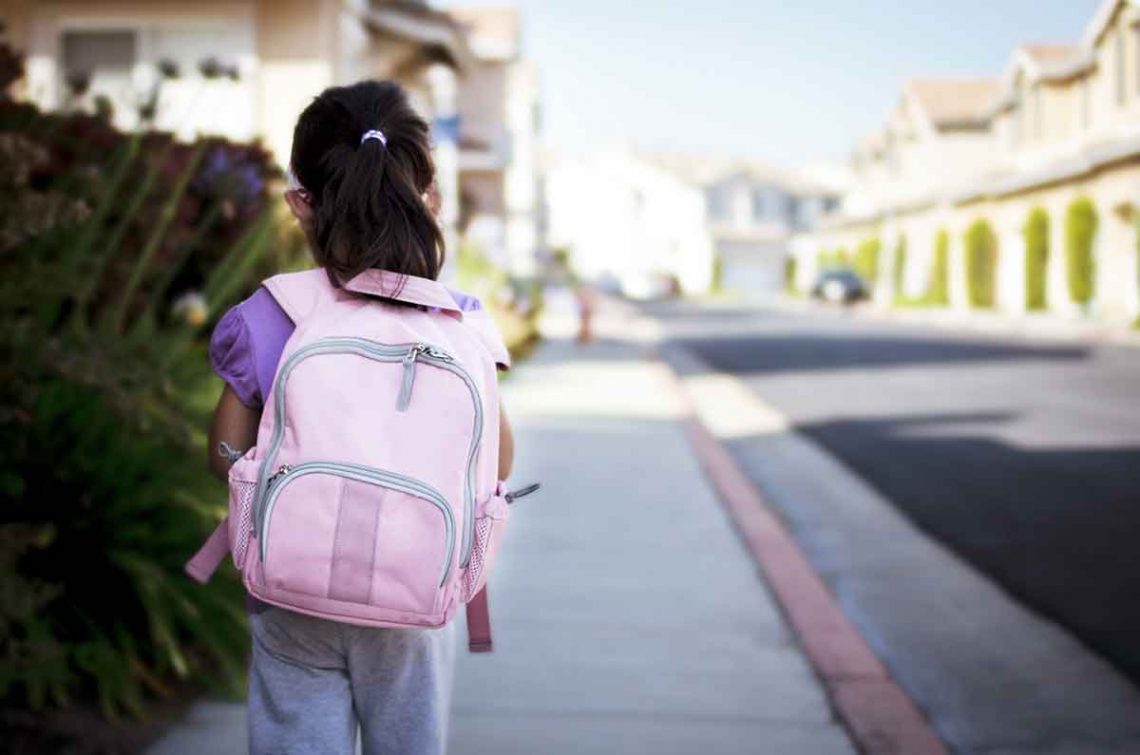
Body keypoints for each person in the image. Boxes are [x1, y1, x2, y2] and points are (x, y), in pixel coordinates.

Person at [205, 80, 514, 755]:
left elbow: (224, 453)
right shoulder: (459, 322)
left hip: (291, 590)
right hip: (416, 593)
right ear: (427, 200)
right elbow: (500, 463)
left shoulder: (273, 311)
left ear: (300, 205)